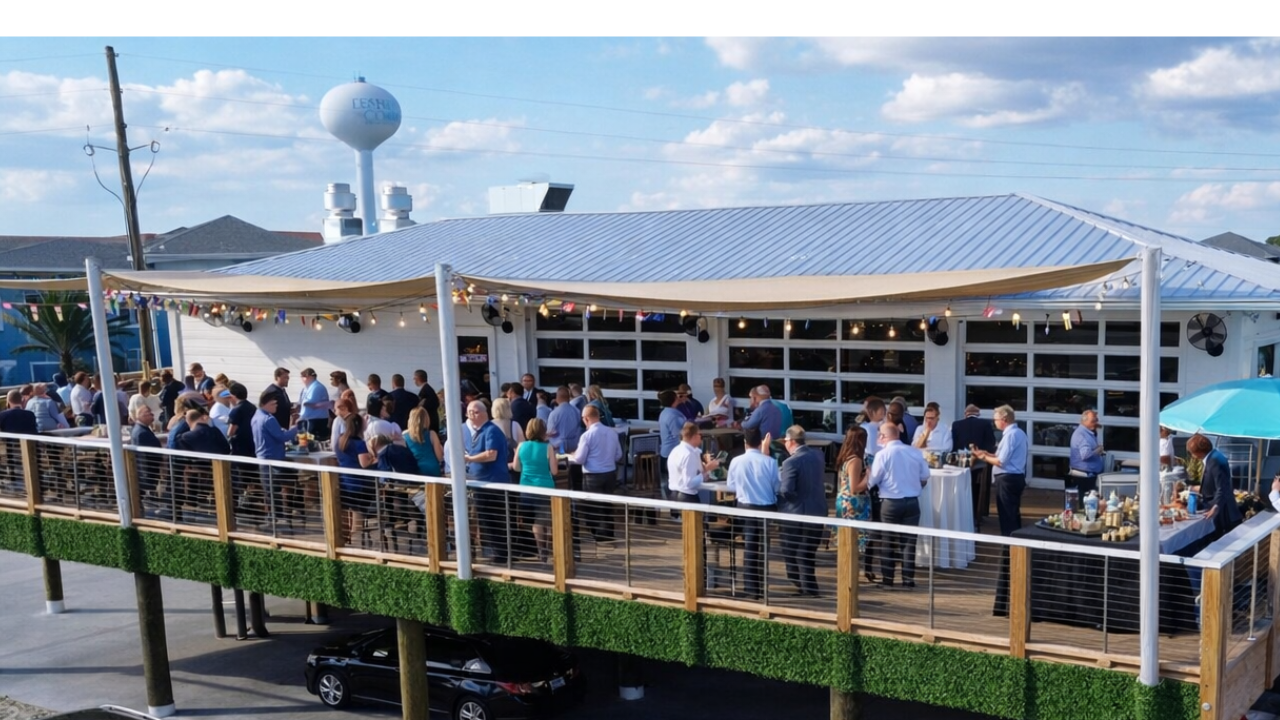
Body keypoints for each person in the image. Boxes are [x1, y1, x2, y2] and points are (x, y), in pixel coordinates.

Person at [867, 423, 929, 588]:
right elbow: (925, 477)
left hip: (890, 502)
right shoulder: (915, 452)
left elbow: (873, 480)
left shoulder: (883, 454)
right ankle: (908, 580)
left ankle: (888, 579)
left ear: (885, 436)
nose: (878, 437)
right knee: (909, 542)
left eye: (880, 434)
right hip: (912, 501)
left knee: (887, 541)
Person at [727, 427, 779, 599]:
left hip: (746, 507)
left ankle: (751, 588)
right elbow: (776, 486)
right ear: (760, 442)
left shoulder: (736, 461)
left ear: (745, 443)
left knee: (750, 547)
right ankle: (762, 588)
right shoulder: (770, 462)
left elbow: (731, 486)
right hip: (766, 508)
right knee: (763, 547)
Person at [778, 425, 826, 597]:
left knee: (793, 551)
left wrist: (781, 498)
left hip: (797, 514)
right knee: (807, 552)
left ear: (790, 441)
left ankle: (806, 587)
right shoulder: (819, 456)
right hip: (818, 511)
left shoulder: (790, 462)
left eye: (785, 441)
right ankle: (807, 587)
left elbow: (786, 490)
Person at [462, 401, 511, 563]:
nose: (470, 415)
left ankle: (501, 553)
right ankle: (496, 551)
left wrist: (469, 459)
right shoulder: (477, 432)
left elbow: (491, 454)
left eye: (474, 412)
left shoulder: (491, 431)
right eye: (469, 412)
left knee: (495, 518)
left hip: (493, 483)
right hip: (481, 484)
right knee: (486, 519)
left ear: (484, 413)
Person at [972, 405, 1028, 537]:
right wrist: (987, 454)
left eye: (996, 419)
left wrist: (983, 457)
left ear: (1004, 419)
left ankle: (1008, 553)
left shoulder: (1011, 435)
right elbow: (1001, 457)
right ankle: (1013, 550)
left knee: (1007, 518)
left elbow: (1001, 461)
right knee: (1012, 515)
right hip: (1014, 477)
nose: (994, 422)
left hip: (1008, 479)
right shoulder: (1018, 433)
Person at [510, 417, 558, 562]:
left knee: (535, 523)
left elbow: (516, 467)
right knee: (547, 521)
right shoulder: (548, 447)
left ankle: (541, 549)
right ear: (543, 431)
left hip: (527, 489)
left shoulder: (521, 446)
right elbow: (554, 471)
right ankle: (548, 548)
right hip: (545, 488)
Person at [251, 390, 301, 531]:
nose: (276, 407)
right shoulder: (269, 419)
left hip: (263, 458)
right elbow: (282, 437)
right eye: (273, 404)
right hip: (273, 459)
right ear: (266, 404)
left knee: (270, 491)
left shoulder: (256, 416)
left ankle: (275, 520)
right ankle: (280, 520)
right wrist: (295, 428)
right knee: (276, 491)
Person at [573, 404, 623, 540]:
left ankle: (599, 536)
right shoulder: (612, 432)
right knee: (607, 504)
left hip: (592, 474)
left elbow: (579, 459)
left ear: (587, 419)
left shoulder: (587, 436)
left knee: (593, 506)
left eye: (583, 418)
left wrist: (571, 456)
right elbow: (618, 454)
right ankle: (608, 534)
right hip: (610, 473)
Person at [834, 426, 875, 579]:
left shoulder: (846, 456)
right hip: (853, 505)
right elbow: (855, 488)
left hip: (843, 502)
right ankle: (849, 574)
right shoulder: (856, 460)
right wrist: (868, 477)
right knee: (853, 541)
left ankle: (848, 572)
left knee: (847, 541)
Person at [1187, 433, 1243, 541]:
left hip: (1224, 512)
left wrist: (1216, 506)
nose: (1192, 456)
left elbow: (1222, 486)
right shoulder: (1213, 457)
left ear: (1198, 452)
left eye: (1192, 453)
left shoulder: (1215, 461)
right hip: (1218, 507)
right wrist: (1194, 488)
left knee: (1223, 541)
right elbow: (1213, 483)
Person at [331, 400, 371, 544]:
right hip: (357, 482)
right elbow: (364, 463)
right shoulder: (359, 443)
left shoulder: (340, 441)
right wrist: (374, 459)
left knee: (346, 510)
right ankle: (354, 538)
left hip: (343, 480)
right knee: (358, 511)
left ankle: (345, 536)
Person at [667, 421, 718, 503]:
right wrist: (707, 470)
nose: (701, 438)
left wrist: (705, 469)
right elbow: (689, 483)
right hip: (686, 498)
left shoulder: (675, 451)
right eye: (700, 435)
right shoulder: (688, 454)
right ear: (694, 436)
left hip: (674, 496)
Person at [1069, 409, 1105, 497]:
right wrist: (1098, 450)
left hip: (1089, 475)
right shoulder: (1081, 434)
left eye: (1096, 420)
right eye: (1093, 420)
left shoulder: (1088, 433)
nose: (1095, 422)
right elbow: (1085, 455)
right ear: (1084, 421)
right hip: (1084, 476)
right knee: (1088, 502)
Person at [403, 406, 443, 477]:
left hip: (416, 470)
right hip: (433, 469)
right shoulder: (432, 434)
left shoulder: (404, 436)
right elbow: (439, 457)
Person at [657, 390, 685, 484]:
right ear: (673, 399)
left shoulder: (665, 412)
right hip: (672, 453)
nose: (678, 398)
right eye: (676, 397)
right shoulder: (672, 415)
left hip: (667, 452)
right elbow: (678, 434)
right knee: (675, 483)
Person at [297, 368, 332, 441]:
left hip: (315, 420)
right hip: (312, 418)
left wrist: (301, 417)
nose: (302, 380)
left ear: (309, 377)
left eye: (303, 377)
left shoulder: (316, 387)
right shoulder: (308, 388)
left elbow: (309, 404)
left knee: (311, 441)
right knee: (307, 440)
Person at [546, 386, 582, 453]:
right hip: (574, 446)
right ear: (568, 397)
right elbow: (579, 429)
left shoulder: (554, 413)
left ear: (557, 397)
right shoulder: (577, 411)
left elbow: (551, 431)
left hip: (558, 447)